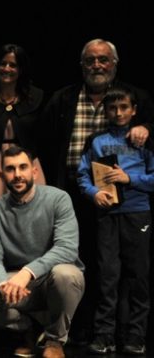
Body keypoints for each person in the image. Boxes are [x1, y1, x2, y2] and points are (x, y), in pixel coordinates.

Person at [39, 38, 154, 339]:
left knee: (123, 269)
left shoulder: (134, 97)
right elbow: (43, 140)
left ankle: (127, 332)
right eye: (90, 60)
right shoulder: (63, 98)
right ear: (81, 65)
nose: (97, 65)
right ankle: (78, 328)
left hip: (127, 201)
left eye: (103, 59)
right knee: (80, 260)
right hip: (75, 191)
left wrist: (147, 127)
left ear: (115, 64)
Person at [0, 145, 84, 358]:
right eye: (10, 169)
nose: (17, 174)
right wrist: (2, 283)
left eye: (23, 167)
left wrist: (27, 272)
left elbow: (67, 248)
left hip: (52, 279)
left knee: (66, 274)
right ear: (2, 176)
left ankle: (54, 340)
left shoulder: (58, 199)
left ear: (34, 171)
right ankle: (29, 331)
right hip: (19, 285)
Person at [77, 88, 152, 356]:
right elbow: (83, 175)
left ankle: (135, 336)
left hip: (137, 212)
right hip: (107, 215)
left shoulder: (144, 140)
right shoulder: (97, 141)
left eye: (124, 107)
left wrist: (129, 179)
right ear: (105, 112)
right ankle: (104, 335)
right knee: (107, 275)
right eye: (112, 108)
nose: (118, 113)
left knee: (138, 276)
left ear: (133, 110)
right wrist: (94, 193)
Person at [0, 44, 46, 208]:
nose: (7, 68)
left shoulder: (36, 97)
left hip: (27, 161)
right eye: (3, 64)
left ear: (21, 69)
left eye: (13, 65)